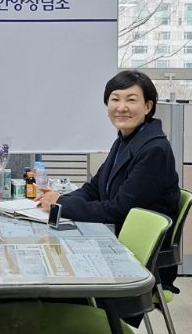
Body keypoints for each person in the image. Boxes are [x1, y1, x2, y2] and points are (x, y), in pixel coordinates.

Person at [35, 70, 180, 287]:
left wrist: (61, 204)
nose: (121, 107)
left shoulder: (154, 150)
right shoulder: (125, 140)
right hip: (115, 243)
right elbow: (94, 188)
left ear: (148, 107)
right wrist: (58, 199)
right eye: (115, 99)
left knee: (46, 275)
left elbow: (118, 210)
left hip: (136, 263)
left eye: (131, 100)